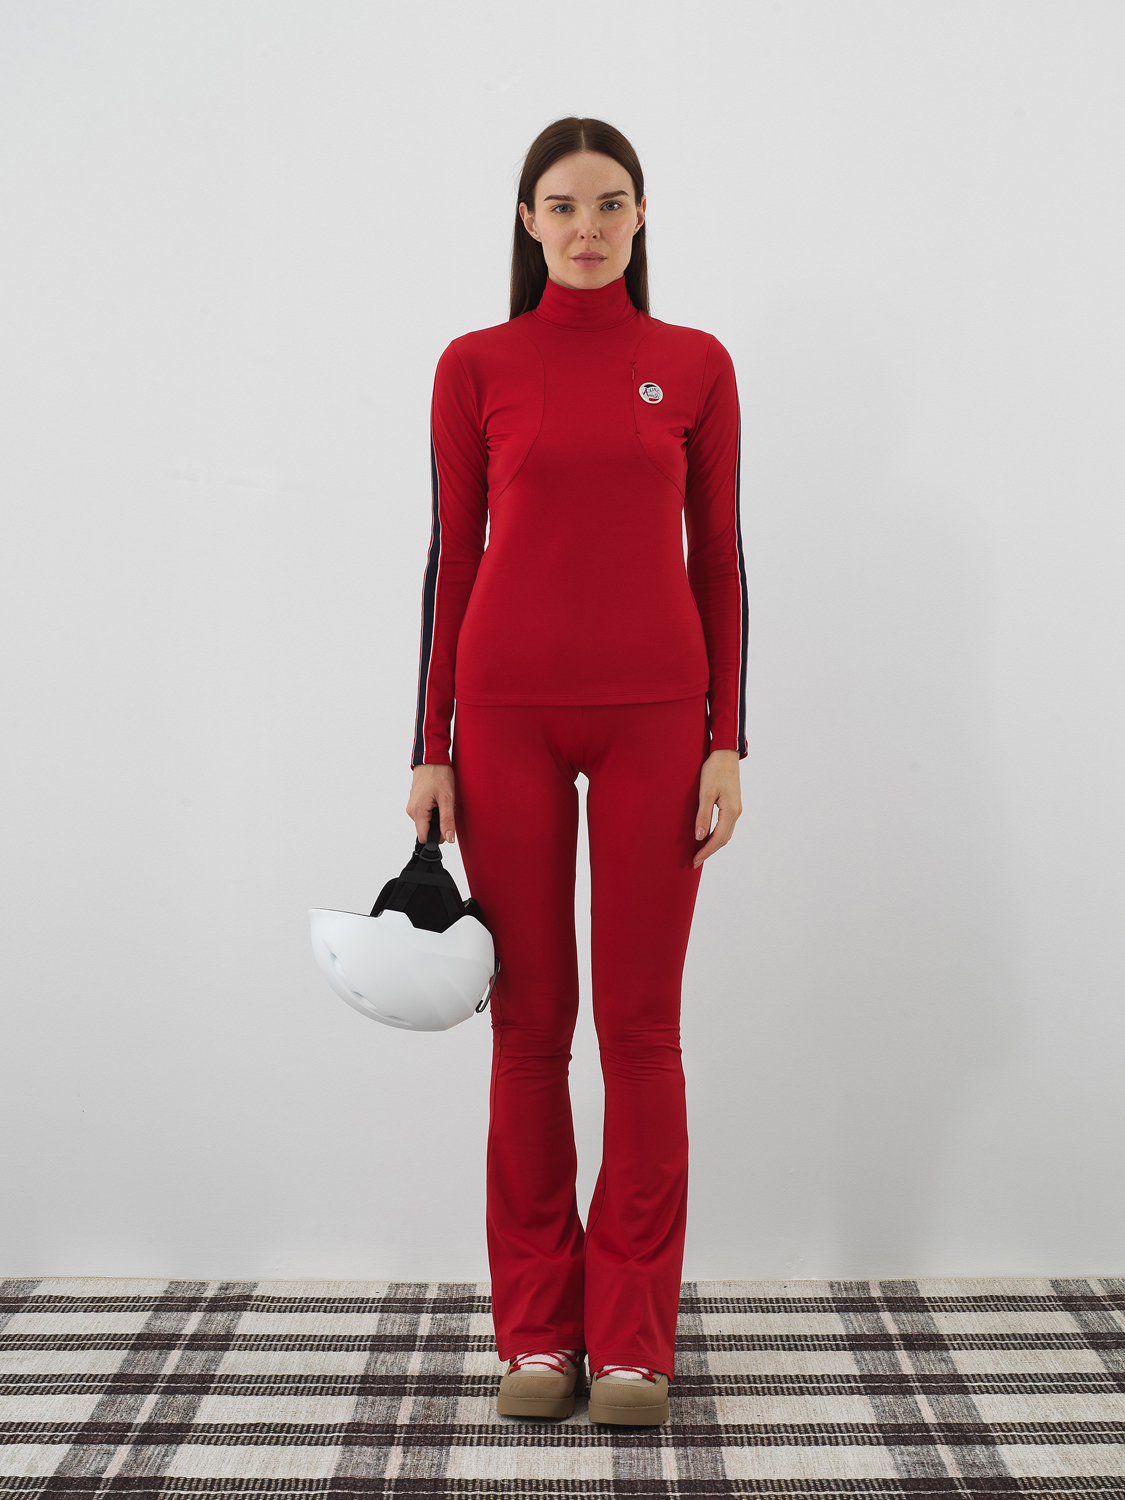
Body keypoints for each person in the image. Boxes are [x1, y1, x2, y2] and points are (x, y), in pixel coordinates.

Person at [405, 117, 746, 1426]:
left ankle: (634, 1343)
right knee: (530, 1031)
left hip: (659, 716)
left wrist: (728, 738)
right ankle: (538, 1337)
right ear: (527, 221)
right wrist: (428, 745)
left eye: (610, 204)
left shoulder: (695, 364)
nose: (587, 226)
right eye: (562, 205)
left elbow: (719, 559)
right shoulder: (475, 366)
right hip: (505, 715)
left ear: (642, 216)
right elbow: (451, 559)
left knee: (641, 1033)